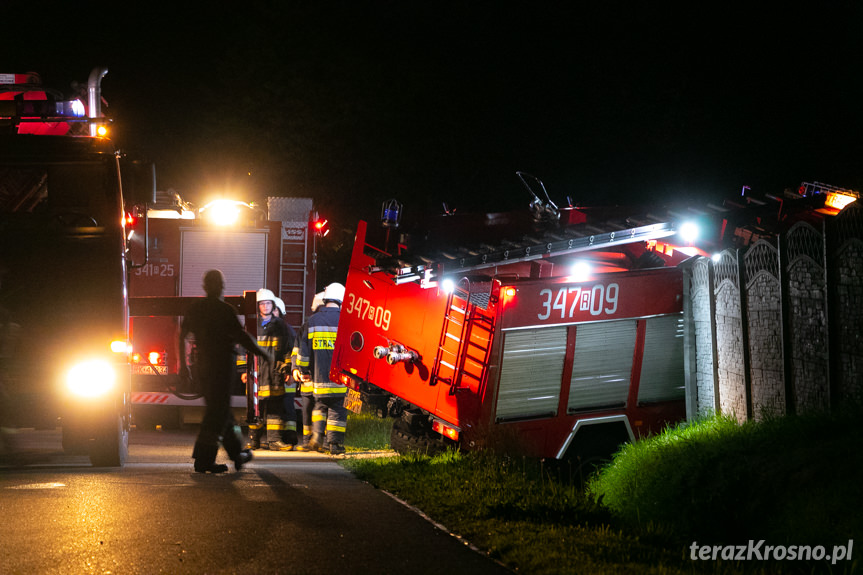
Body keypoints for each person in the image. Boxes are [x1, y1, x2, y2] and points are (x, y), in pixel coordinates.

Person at [179, 269, 271, 473]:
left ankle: (236, 454)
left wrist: (183, 365)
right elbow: (242, 337)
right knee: (217, 414)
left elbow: (182, 335)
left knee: (221, 412)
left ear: (205, 286)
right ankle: (204, 459)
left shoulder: (196, 309)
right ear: (221, 286)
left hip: (203, 368)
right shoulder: (224, 310)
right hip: (221, 368)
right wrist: (262, 353)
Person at [293, 282, 346, 456]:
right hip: (340, 379)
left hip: (318, 379)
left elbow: (303, 352)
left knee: (320, 407)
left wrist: (303, 370)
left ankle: (317, 436)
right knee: (337, 410)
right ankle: (335, 444)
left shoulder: (312, 321)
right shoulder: (346, 321)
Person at [247, 288, 298, 451]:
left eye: (268, 303)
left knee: (275, 408)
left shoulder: (281, 326)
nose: (265, 306)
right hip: (256, 373)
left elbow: (288, 350)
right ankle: (253, 440)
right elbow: (243, 348)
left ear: (272, 305)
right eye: (262, 304)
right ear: (258, 306)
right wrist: (243, 370)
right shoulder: (251, 324)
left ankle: (274, 441)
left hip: (275, 374)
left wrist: (288, 370)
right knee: (256, 408)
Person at [291, 291, 325, 450]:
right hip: (309, 378)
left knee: (318, 409)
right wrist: (295, 368)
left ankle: (316, 441)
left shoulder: (311, 323)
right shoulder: (307, 325)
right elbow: (296, 350)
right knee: (308, 409)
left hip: (315, 377)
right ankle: (307, 441)